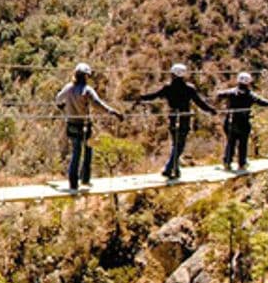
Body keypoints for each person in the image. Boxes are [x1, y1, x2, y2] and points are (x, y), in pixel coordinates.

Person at [135, 63, 216, 179]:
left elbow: (154, 96)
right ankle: (169, 168)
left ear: (172, 74)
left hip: (173, 117)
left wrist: (141, 97)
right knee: (180, 145)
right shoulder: (189, 88)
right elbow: (199, 103)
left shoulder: (168, 88)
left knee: (175, 144)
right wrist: (211, 110)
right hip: (184, 117)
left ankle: (175, 170)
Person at [54, 63, 123, 191]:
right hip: (85, 125)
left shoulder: (68, 88)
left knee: (76, 152)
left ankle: (73, 183)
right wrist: (113, 112)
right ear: (86, 76)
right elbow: (98, 104)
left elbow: (58, 99)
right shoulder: (87, 90)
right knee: (88, 151)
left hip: (71, 124)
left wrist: (63, 108)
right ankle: (85, 179)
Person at [215, 72, 268, 172]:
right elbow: (261, 101)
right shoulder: (250, 95)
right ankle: (242, 163)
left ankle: (227, 162)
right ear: (249, 82)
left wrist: (217, 104)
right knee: (243, 143)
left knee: (231, 142)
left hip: (231, 121)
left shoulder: (231, 93)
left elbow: (219, 94)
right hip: (244, 122)